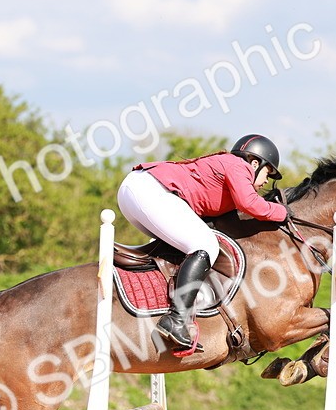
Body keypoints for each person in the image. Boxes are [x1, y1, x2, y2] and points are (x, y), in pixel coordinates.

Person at [117, 134, 289, 351]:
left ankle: (164, 309)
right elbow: (250, 204)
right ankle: (176, 319)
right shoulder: (238, 165)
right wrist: (282, 211)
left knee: (185, 246)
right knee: (205, 245)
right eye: (267, 172)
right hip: (148, 190)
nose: (265, 181)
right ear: (255, 163)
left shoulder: (229, 173)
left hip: (138, 192)